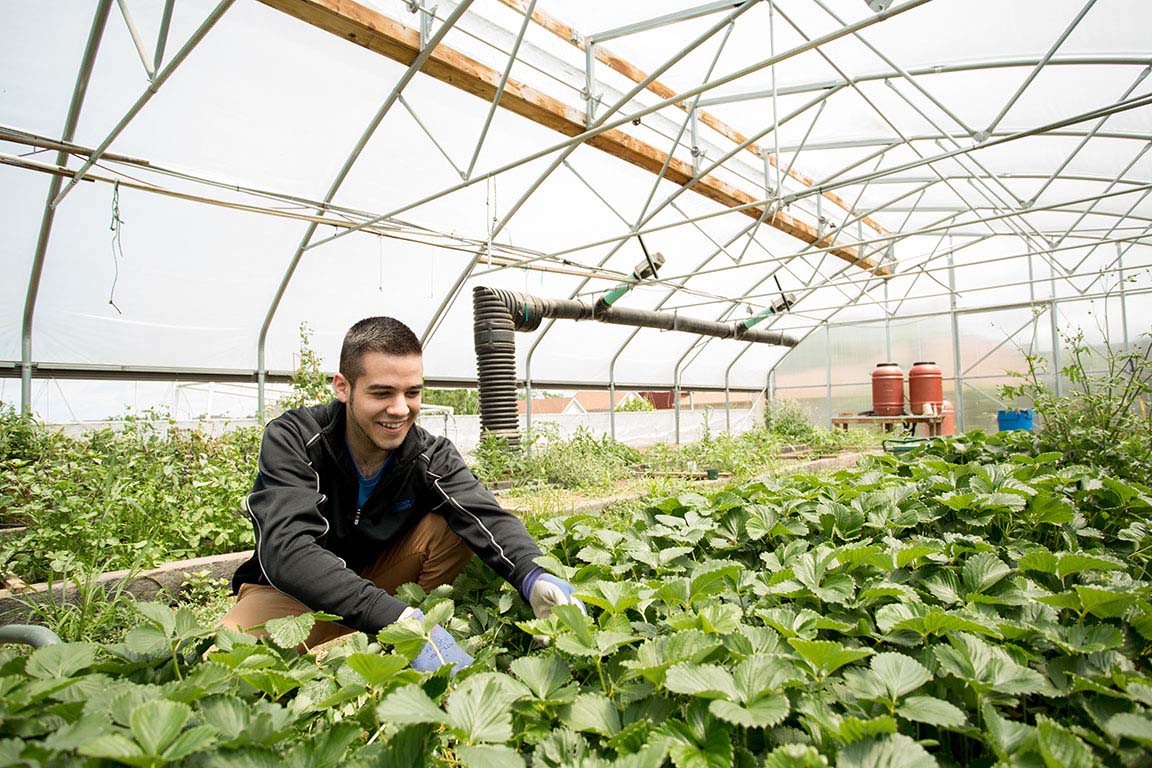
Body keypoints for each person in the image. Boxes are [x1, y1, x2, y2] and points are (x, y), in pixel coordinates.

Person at [219, 316, 582, 671]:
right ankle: (391, 630)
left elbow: (485, 514)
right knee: (228, 664)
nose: (400, 409)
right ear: (343, 387)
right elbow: (287, 551)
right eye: (382, 393)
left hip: (381, 583)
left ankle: (386, 642)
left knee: (451, 525)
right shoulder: (296, 439)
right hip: (293, 597)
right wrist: (400, 619)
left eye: (412, 393)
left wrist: (534, 574)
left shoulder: (429, 454)